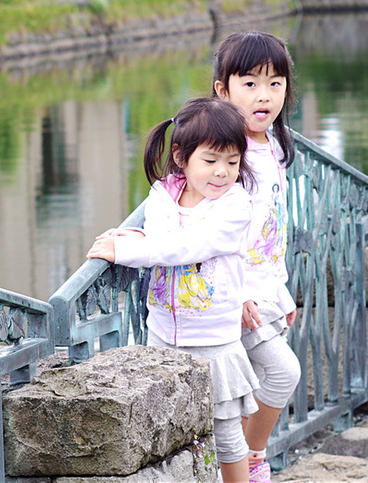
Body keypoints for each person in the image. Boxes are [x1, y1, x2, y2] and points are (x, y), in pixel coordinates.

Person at [88, 97, 261, 483]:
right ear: (181, 157)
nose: (222, 173)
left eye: (232, 162)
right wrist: (138, 238)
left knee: (227, 434)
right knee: (175, 435)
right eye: (211, 161)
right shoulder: (163, 194)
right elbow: (163, 240)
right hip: (162, 336)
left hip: (214, 342)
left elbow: (185, 246)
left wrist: (130, 249)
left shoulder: (235, 207)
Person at [212, 31, 303, 483]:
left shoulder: (275, 146)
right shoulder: (225, 155)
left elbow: (272, 232)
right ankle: (250, 460)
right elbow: (210, 231)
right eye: (249, 84)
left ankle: (240, 464)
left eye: (275, 83)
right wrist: (240, 293)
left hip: (265, 292)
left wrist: (280, 292)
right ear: (222, 90)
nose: (263, 96)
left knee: (255, 385)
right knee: (282, 373)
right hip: (234, 296)